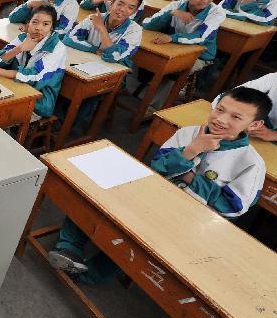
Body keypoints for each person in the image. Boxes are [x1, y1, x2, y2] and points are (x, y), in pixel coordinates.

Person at [49, 86, 271, 281]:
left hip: (187, 219)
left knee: (137, 245)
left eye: (236, 117)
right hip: (152, 191)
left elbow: (232, 207)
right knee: (95, 193)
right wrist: (192, 150)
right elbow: (157, 166)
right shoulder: (188, 133)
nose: (221, 120)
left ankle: (88, 275)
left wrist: (187, 174)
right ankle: (69, 249)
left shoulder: (251, 163)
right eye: (220, 109)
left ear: (255, 125)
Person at [61, 0, 143, 123]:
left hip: (112, 74)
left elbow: (113, 56)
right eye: (120, 3)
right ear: (111, 3)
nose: (122, 9)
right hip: (84, 63)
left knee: (89, 94)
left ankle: (66, 125)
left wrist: (102, 28)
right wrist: (94, 49)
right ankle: (56, 117)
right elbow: (69, 39)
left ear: (134, 12)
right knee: (62, 80)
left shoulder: (134, 31)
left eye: (130, 7)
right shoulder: (93, 18)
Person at [0, 6, 66, 118]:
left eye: (45, 24)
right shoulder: (23, 38)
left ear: (52, 27)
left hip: (39, 100)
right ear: (28, 23)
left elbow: (35, 77)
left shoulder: (57, 48)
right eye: (35, 22)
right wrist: (20, 48)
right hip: (13, 86)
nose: (38, 28)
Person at [143, 0, 225, 74]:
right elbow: (147, 24)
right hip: (173, 47)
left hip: (200, 56)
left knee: (174, 69)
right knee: (148, 59)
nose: (205, 0)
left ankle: (176, 86)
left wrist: (173, 38)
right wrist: (171, 13)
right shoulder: (176, 5)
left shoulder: (216, 12)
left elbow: (201, 37)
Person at [214, 72, 277, 141]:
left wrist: (274, 135)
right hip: (260, 124)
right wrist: (220, 111)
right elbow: (232, 94)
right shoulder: (274, 78)